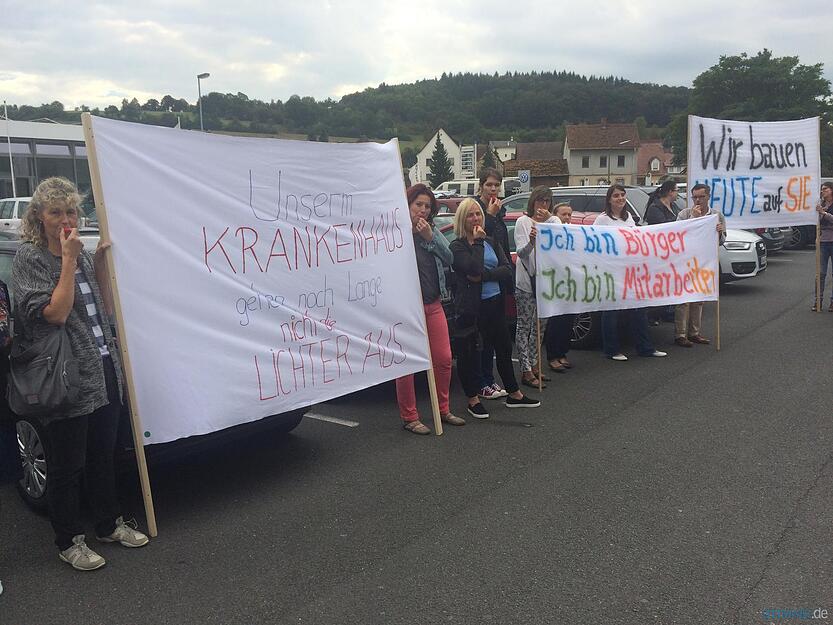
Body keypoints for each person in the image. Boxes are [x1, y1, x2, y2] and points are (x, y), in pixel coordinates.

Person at [12, 177, 149, 572]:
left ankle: (108, 524)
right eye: (56, 212)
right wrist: (69, 260)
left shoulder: (82, 254)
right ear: (39, 216)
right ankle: (69, 540)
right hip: (64, 374)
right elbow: (53, 314)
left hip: (102, 365)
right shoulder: (31, 259)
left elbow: (104, 309)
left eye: (71, 211)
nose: (65, 219)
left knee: (103, 456)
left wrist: (99, 263)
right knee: (67, 465)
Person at [449, 198, 540, 418]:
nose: (475, 218)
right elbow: (472, 267)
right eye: (470, 215)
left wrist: (483, 276)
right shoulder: (457, 246)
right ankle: (472, 399)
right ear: (462, 219)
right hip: (471, 307)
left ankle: (514, 393)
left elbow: (506, 269)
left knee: (503, 348)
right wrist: (478, 244)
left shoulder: (490, 241)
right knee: (470, 354)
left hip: (495, 302)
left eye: (478, 214)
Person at [395, 184, 465, 434]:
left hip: (433, 304)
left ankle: (442, 408)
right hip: (407, 308)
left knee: (444, 358)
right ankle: (409, 416)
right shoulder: (397, 233)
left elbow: (450, 258)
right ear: (408, 205)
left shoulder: (432, 231)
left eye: (427, 206)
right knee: (408, 364)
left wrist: (430, 238)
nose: (422, 211)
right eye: (418, 205)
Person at [593, 185, 668, 361]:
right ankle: (611, 350)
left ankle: (645, 347)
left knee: (639, 309)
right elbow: (594, 243)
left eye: (622, 195)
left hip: (630, 272)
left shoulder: (628, 219)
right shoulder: (602, 220)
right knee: (611, 312)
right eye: (616, 195)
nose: (620, 198)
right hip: (611, 272)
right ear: (609, 200)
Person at [514, 186, 556, 388]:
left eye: (547, 201)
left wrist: (549, 219)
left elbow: (561, 232)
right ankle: (525, 369)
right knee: (524, 326)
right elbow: (521, 253)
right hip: (526, 282)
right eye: (540, 200)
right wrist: (531, 242)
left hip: (545, 282)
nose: (543, 205)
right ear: (533, 202)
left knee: (540, 327)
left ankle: (535, 363)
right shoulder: (523, 222)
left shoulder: (551, 223)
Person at [674, 183, 726, 346]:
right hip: (685, 260)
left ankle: (694, 332)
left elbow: (722, 241)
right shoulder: (684, 214)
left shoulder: (716, 215)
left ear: (708, 197)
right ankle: (680, 334)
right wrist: (693, 219)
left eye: (701, 197)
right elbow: (677, 235)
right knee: (683, 299)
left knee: (699, 298)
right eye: (694, 197)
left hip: (704, 261)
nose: (697, 200)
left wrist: (719, 232)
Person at [472, 168, 509, 400]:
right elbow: (484, 238)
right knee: (483, 341)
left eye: (496, 185)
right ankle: (482, 382)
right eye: (489, 185)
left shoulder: (499, 210)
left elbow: (500, 244)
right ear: (481, 186)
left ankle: (490, 378)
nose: (493, 189)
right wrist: (490, 215)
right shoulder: (477, 211)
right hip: (481, 289)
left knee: (497, 340)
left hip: (498, 282)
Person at [544, 203, 576, 372]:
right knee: (555, 321)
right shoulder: (550, 233)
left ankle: (563, 352)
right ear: (555, 216)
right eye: (564, 214)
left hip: (569, 282)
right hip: (554, 283)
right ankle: (552, 355)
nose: (567, 218)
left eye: (570, 215)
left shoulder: (573, 234)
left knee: (568, 321)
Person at [644, 181, 679, 325]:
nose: (677, 193)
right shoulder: (655, 208)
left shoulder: (674, 206)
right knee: (658, 283)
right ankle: (653, 314)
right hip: (659, 252)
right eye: (676, 190)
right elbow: (663, 228)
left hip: (672, 251)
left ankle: (667, 311)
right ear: (670, 192)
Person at [813, 181, 833, 312]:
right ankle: (818, 301)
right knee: (820, 273)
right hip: (823, 242)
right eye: (821, 189)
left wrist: (824, 213)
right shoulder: (820, 204)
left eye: (825, 189)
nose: (823, 191)